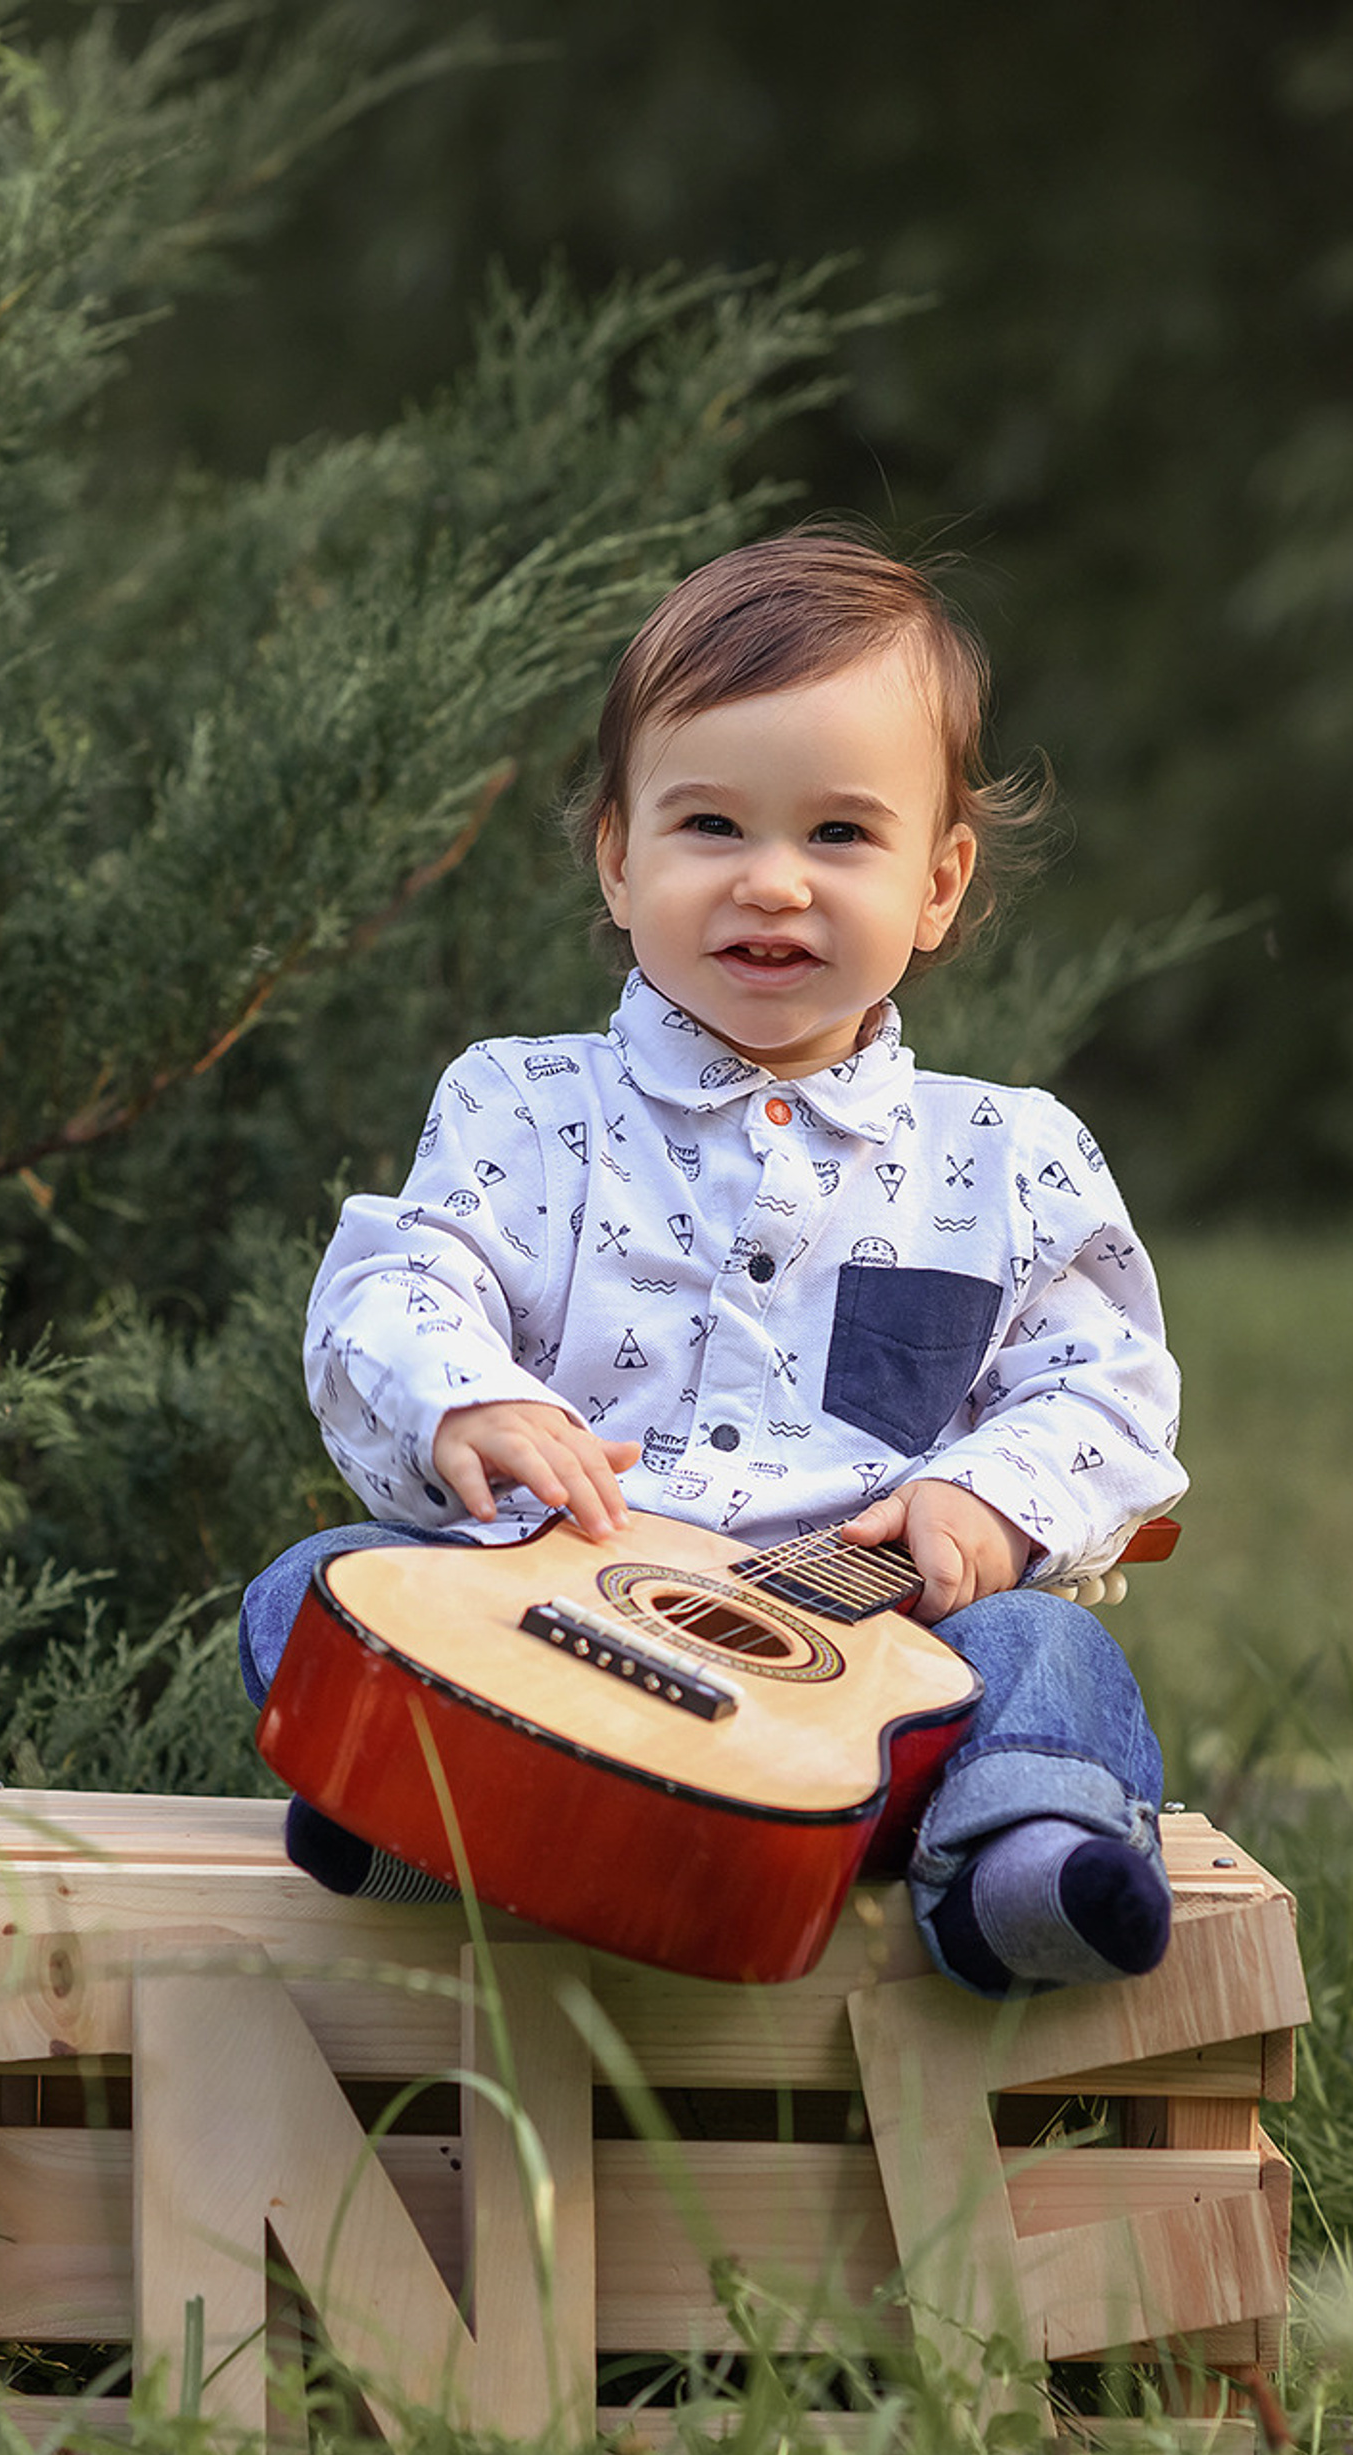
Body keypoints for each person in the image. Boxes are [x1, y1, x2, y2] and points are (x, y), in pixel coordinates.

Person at [237, 528, 1188, 1998]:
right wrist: (468, 1403)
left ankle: (1014, 1862)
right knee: (319, 1589)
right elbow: (398, 1284)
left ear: (939, 884)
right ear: (620, 861)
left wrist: (991, 1503)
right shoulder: (525, 1106)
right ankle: (449, 1820)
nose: (773, 884)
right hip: (560, 1634)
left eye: (839, 837)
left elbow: (1109, 1392)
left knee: (1046, 1655)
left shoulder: (1009, 1158)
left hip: (864, 1691)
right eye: (712, 829)